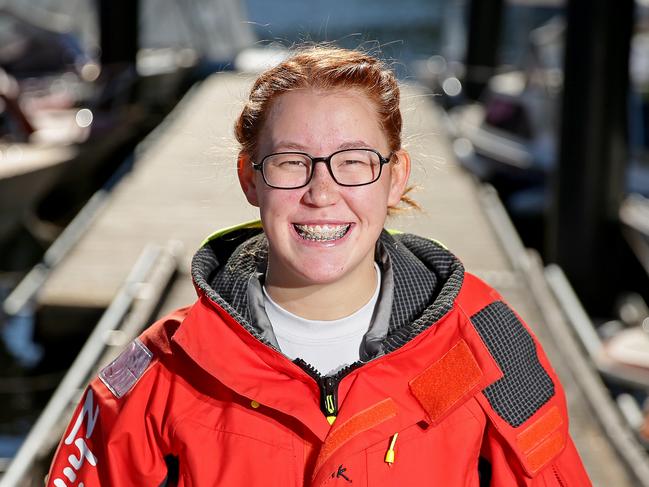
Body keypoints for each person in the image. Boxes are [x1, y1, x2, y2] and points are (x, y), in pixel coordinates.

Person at [47, 45, 591, 486]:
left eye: (354, 162)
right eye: (291, 163)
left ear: (394, 176)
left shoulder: (485, 347)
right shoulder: (162, 374)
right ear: (250, 177)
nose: (322, 192)